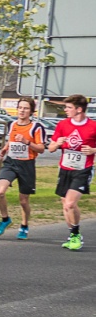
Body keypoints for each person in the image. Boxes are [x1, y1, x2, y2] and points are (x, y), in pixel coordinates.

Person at [44, 94, 96, 251]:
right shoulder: (63, 125)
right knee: (65, 204)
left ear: (79, 109)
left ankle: (75, 235)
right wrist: (57, 144)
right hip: (65, 169)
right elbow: (51, 148)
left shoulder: (93, 126)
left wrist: (93, 150)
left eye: (69, 107)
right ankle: (73, 234)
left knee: (70, 203)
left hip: (83, 169)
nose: (65, 110)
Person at [0, 97, 46, 239]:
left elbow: (41, 149)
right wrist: (5, 148)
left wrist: (27, 142)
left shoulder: (36, 127)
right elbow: (11, 140)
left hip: (27, 164)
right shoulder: (12, 124)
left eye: (26, 108)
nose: (22, 111)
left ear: (31, 111)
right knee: (0, 191)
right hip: (11, 162)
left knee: (23, 200)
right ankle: (5, 219)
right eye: (20, 108)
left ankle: (24, 226)